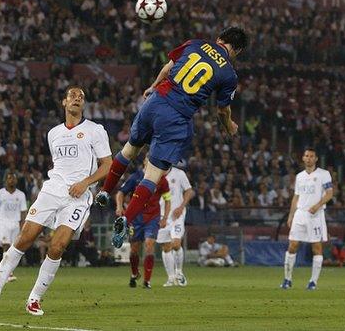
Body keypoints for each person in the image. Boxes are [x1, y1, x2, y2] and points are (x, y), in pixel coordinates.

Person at [94, 27, 249, 248]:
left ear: (219, 39)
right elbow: (222, 111)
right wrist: (230, 127)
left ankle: (104, 191)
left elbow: (169, 68)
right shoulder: (229, 74)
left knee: (129, 150)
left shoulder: (195, 43)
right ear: (238, 51)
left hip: (156, 101)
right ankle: (125, 219)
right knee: (152, 175)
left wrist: (153, 86)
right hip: (176, 117)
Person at [0, 87, 112, 316]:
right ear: (63, 102)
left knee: (57, 246)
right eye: (73, 96)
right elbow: (59, 166)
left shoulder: (95, 131)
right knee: (25, 237)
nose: (77, 99)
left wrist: (86, 183)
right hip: (52, 190)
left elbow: (107, 165)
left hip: (78, 197)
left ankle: (35, 298)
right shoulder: (53, 134)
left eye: (81, 97)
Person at [281, 148, 334, 290]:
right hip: (300, 214)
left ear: (316, 159)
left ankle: (313, 282)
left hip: (315, 215)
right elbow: (296, 197)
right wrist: (291, 215)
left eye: (311, 156)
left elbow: (329, 194)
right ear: (303, 158)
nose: (309, 158)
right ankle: (287, 279)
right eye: (306, 156)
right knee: (292, 245)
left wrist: (317, 206)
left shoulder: (324, 174)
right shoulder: (299, 176)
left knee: (316, 247)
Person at [116, 159, 170, 289]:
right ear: (145, 162)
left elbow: (167, 199)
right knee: (134, 249)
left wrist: (165, 218)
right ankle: (134, 273)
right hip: (136, 218)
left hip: (152, 217)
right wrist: (119, 207)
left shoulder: (161, 179)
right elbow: (120, 193)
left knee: (149, 245)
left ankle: (147, 281)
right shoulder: (136, 177)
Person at [157, 165, 194, 287]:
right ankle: (171, 278)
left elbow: (189, 190)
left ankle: (179, 272)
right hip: (162, 216)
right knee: (166, 247)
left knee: (176, 243)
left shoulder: (179, 174)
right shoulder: (154, 174)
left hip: (177, 215)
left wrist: (181, 206)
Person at [0, 173, 27, 282]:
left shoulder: (21, 195)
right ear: (6, 180)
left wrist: (24, 227)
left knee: (13, 248)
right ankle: (8, 273)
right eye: (9, 178)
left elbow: (23, 213)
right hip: (2, 222)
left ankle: (4, 271)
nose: (12, 180)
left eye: (13, 178)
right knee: (6, 245)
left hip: (15, 223)